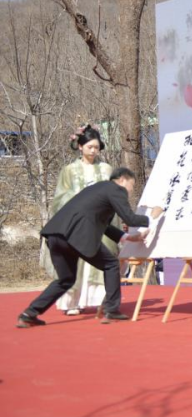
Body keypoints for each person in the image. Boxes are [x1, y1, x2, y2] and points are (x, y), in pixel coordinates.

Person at [17, 167, 163, 328]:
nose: (130, 190)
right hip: (77, 236)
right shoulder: (116, 189)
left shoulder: (97, 190)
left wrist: (128, 237)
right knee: (111, 264)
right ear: (122, 179)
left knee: (66, 279)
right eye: (132, 185)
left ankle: (29, 314)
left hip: (55, 236)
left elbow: (104, 225)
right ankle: (112, 309)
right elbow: (130, 218)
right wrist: (152, 217)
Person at [40, 125, 117, 315]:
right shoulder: (69, 170)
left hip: (98, 223)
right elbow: (59, 197)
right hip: (76, 224)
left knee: (99, 263)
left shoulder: (106, 169)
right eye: (90, 146)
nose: (93, 150)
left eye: (96, 147)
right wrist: (79, 197)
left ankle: (100, 301)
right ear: (80, 146)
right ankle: (72, 303)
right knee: (76, 263)